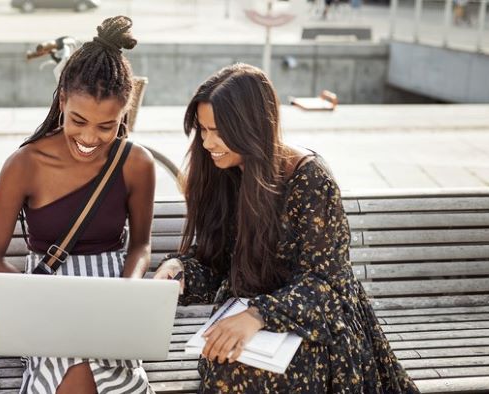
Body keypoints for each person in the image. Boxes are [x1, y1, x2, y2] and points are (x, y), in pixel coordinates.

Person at [154, 63, 420, 393]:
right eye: (203, 129)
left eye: (218, 130)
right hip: (248, 320)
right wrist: (180, 271)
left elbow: (325, 283)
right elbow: (217, 263)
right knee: (226, 362)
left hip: (319, 322)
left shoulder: (309, 179)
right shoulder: (221, 173)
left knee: (270, 377)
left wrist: (257, 315)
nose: (208, 143)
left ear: (251, 127)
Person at [0, 16, 155, 394]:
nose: (90, 137)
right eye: (78, 120)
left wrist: (129, 291)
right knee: (74, 372)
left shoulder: (137, 163)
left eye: (107, 126)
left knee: (98, 371)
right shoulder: (24, 164)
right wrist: (40, 299)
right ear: (61, 100)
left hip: (112, 297)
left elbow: (140, 245)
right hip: (45, 299)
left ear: (124, 112)